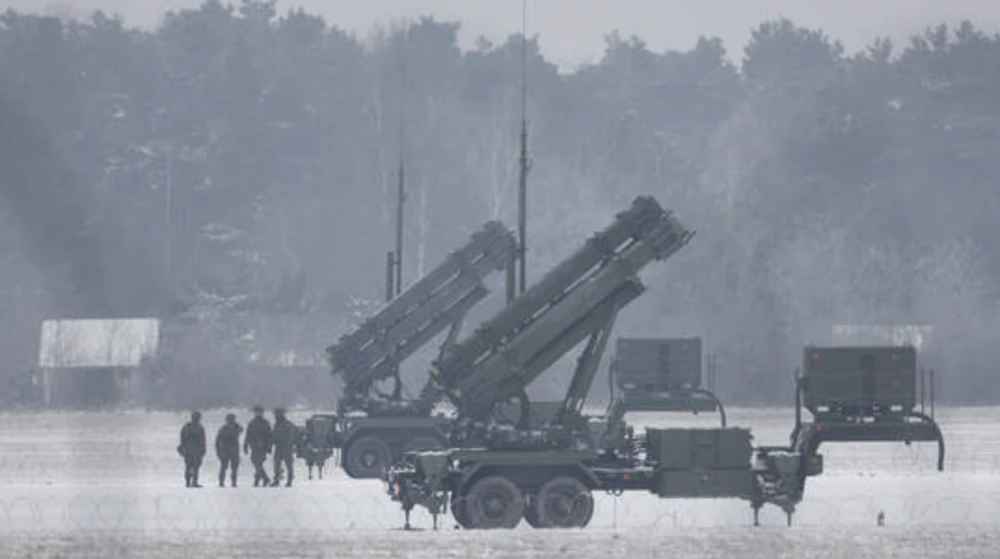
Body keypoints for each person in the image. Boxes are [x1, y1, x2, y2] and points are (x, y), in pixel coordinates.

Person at [243, 405, 272, 487]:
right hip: (254, 446)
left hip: (263, 447)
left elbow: (269, 436)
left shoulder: (265, 423)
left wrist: (269, 447)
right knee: (256, 463)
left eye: (259, 412)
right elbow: (248, 435)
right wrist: (245, 446)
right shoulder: (252, 423)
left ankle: (257, 480)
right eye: (256, 412)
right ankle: (265, 478)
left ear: (262, 413)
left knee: (258, 463)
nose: (258, 414)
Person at [269, 407, 297, 487]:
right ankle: (276, 480)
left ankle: (289, 481)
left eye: (278, 414)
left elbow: (291, 436)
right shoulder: (276, 424)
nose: (276, 415)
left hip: (286, 447)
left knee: (289, 465)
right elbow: (274, 435)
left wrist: (290, 445)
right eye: (276, 414)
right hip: (278, 447)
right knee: (276, 465)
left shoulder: (287, 424)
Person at [178, 410, 206, 488]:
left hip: (190, 449)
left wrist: (184, 447)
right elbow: (202, 440)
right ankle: (193, 482)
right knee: (194, 467)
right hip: (194, 450)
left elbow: (182, 438)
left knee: (189, 466)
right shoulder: (199, 427)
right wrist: (203, 450)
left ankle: (189, 482)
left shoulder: (188, 426)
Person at [215, 412, 243, 487]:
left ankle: (228, 482)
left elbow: (241, 429)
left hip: (230, 450)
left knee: (231, 468)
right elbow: (218, 441)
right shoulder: (226, 428)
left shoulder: (229, 428)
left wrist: (218, 451)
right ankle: (225, 482)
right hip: (229, 450)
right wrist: (218, 451)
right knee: (227, 467)